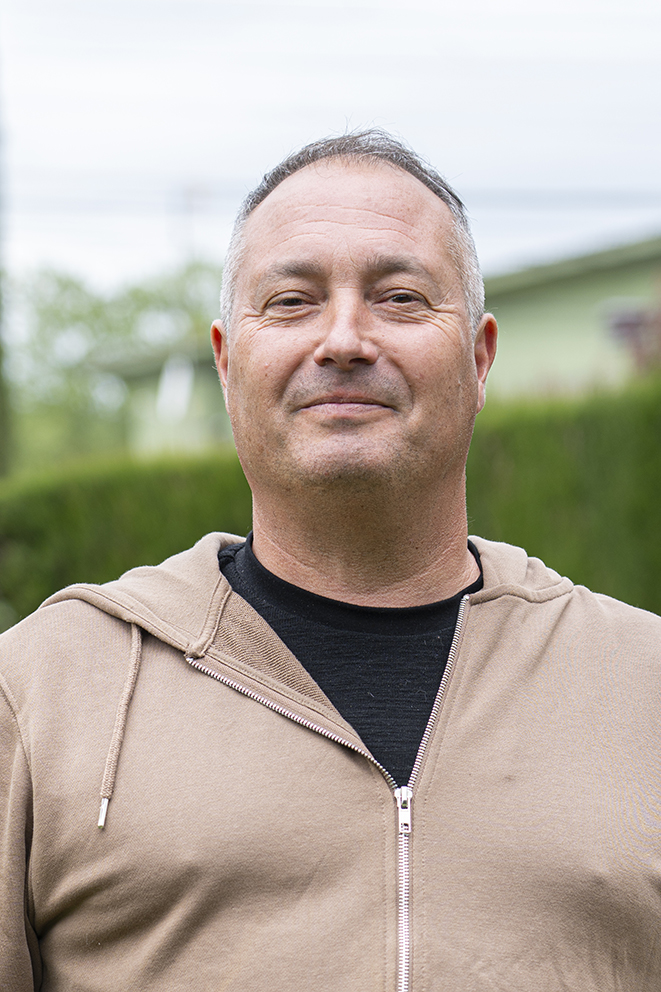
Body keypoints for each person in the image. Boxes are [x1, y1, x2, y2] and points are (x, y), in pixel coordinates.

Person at [1, 130, 660, 992]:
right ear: (226, 362)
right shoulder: (41, 690)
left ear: (479, 358)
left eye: (399, 298)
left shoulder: (641, 684)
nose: (344, 338)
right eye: (290, 302)